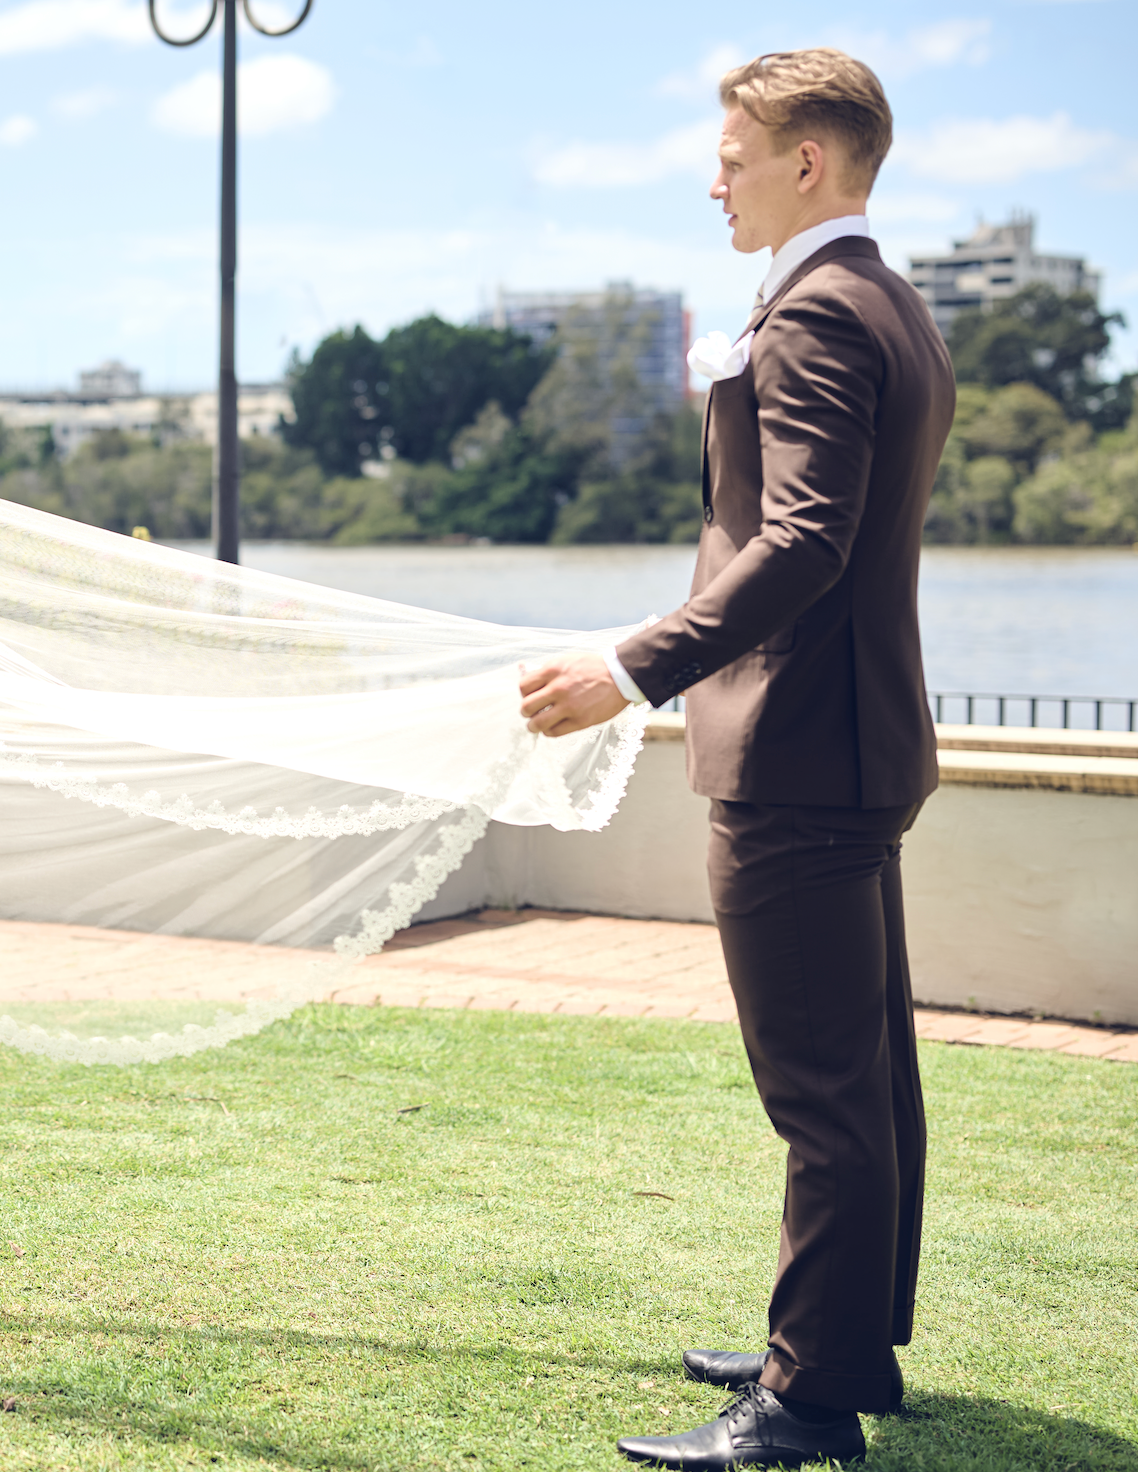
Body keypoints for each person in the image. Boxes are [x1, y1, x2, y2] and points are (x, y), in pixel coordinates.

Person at [519, 50, 954, 1469]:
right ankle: (846, 1345)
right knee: (867, 1071)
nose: (712, 178)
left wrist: (628, 668)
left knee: (820, 1089)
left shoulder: (823, 312)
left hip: (796, 752)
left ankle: (808, 1401)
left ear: (806, 163)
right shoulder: (885, 300)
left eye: (731, 152)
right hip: (854, 737)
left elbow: (802, 543)